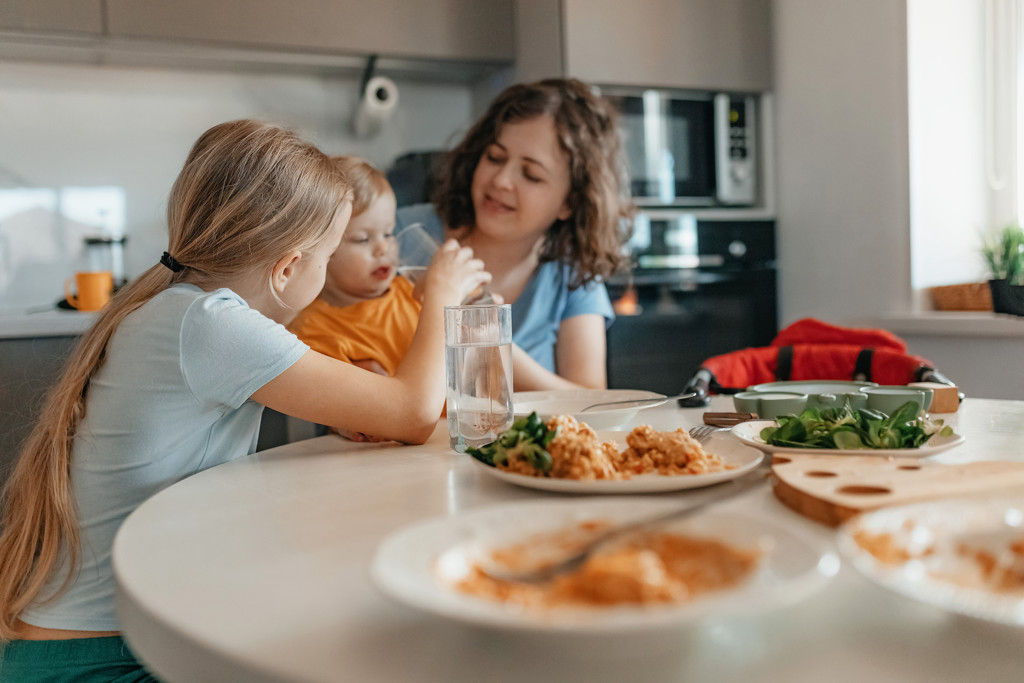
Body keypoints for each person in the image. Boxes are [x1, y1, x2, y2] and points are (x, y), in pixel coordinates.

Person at [0, 120, 488, 680]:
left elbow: (378, 407)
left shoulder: (183, 310)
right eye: (327, 256)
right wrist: (442, 298)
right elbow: (413, 411)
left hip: (82, 638)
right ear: (286, 269)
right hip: (95, 660)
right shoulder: (210, 324)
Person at [396, 77, 634, 392]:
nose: (501, 180)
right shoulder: (399, 234)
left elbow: (591, 403)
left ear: (570, 202)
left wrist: (493, 342)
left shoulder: (573, 277)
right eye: (494, 157)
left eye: (531, 175)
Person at [287, 156, 420, 441]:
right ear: (322, 247)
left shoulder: (415, 294)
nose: (383, 248)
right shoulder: (311, 329)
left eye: (389, 232)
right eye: (363, 239)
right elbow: (342, 412)